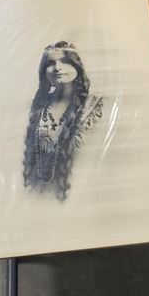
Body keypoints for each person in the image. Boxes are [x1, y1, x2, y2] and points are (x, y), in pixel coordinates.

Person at [23, 41, 103, 201]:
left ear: (76, 66)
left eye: (65, 61)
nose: (57, 68)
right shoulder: (38, 107)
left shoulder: (94, 106)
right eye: (50, 63)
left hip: (80, 195)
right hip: (37, 195)